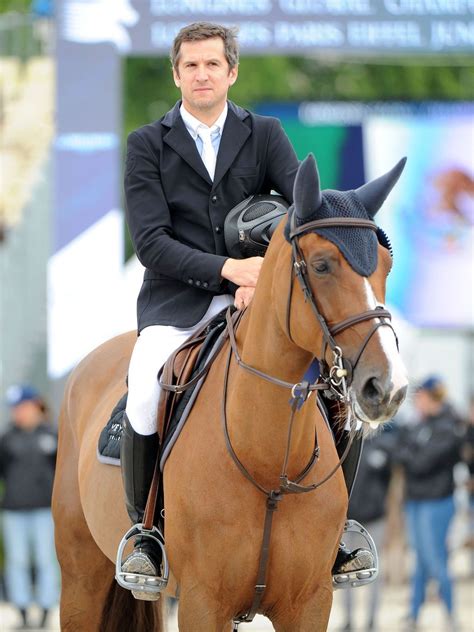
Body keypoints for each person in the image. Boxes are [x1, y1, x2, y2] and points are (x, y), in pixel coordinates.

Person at [120, 21, 374, 595]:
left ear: (231, 72)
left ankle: (337, 530)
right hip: (179, 301)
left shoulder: (266, 133)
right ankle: (147, 535)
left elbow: (301, 215)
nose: (201, 74)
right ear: (176, 74)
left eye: (212, 64)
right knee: (142, 388)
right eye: (191, 66)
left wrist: (269, 278)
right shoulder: (147, 144)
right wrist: (228, 270)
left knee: (338, 387)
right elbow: (151, 242)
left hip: (263, 300)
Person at [395, 376, 463, 631]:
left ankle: (451, 611)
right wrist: (410, 454)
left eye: (420, 396)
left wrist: (410, 454)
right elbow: (399, 453)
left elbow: (420, 463)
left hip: (437, 501)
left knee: (434, 558)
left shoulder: (449, 425)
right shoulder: (419, 425)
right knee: (421, 560)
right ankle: (414, 614)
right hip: (416, 499)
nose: (416, 402)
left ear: (432, 397)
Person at [0, 385, 59, 629]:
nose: (18, 412)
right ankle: (22, 610)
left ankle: (46, 608)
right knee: (17, 562)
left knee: (47, 560)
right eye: (14, 408)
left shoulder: (52, 435)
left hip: (45, 510)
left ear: (35, 405)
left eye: (22, 406)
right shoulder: (6, 439)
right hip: (14, 511)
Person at [340, 429, 395, 631]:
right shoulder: (346, 442)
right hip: (348, 520)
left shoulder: (383, 445)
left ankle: (372, 620)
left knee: (372, 573)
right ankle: (348, 620)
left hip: (374, 519)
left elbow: (388, 479)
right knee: (344, 573)